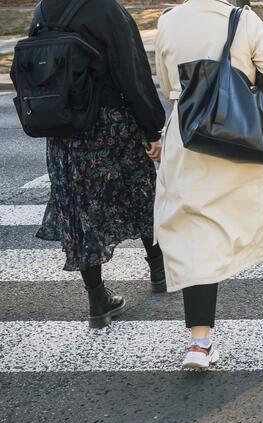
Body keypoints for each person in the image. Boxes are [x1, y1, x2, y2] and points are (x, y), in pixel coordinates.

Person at [155, 0, 263, 370]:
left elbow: (169, 87)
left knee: (195, 234)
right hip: (241, 138)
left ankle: (200, 343)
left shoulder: (168, 22)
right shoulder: (242, 20)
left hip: (190, 138)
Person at [32, 0, 167, 329]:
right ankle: (160, 271)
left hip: (64, 132)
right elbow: (132, 73)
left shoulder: (43, 10)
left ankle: (97, 300)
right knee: (140, 192)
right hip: (110, 124)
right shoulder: (107, 10)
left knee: (80, 211)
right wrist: (151, 128)